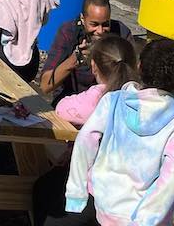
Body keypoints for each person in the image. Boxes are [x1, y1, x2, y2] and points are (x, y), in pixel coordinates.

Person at [61, 37, 174, 226]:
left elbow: (85, 140)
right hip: (142, 216)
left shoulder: (113, 101)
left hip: (103, 203)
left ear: (139, 66)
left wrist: (76, 193)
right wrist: (146, 220)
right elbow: (172, 177)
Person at [33, 34, 139, 226]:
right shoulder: (141, 97)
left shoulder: (97, 97)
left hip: (94, 189)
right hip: (132, 190)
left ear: (94, 67)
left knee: (43, 188)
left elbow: (62, 109)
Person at [40, 0, 132, 104]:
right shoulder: (69, 33)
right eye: (94, 24)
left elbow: (132, 77)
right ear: (83, 19)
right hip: (71, 103)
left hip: (109, 104)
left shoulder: (121, 33)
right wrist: (74, 60)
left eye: (106, 24)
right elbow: (45, 85)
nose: (100, 31)